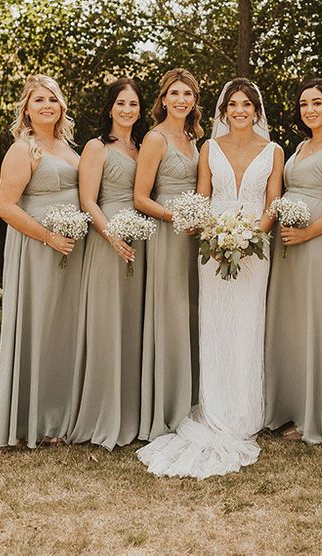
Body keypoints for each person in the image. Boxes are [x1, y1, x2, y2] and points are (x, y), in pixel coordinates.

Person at [137, 78, 284, 478]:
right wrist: (213, 233)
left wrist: (253, 234)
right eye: (233, 104)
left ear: (257, 110)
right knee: (216, 324)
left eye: (246, 104)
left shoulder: (274, 150)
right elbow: (202, 196)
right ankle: (216, 408)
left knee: (249, 322)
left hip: (255, 249)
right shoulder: (209, 148)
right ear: (223, 111)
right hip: (212, 245)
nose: (239, 110)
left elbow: (273, 202)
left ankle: (247, 411)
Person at [0, 74, 84, 449]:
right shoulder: (22, 150)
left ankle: (62, 417)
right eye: (38, 100)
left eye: (52, 99)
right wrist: (48, 236)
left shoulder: (68, 147)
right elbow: (4, 206)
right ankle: (35, 419)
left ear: (61, 105)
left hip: (71, 248)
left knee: (65, 330)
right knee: (40, 327)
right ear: (26, 109)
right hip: (37, 248)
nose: (46, 105)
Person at [264, 78, 322, 444]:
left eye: (317, 103)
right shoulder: (300, 146)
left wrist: (308, 232)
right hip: (288, 244)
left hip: (316, 243)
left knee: (314, 322)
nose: (310, 110)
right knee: (291, 324)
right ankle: (288, 407)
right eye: (304, 104)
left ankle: (314, 416)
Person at [68, 77, 149, 450]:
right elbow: (88, 200)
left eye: (133, 104)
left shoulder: (144, 146)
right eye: (121, 104)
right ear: (110, 107)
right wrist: (111, 235)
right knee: (107, 324)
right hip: (108, 241)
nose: (127, 111)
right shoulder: (97, 147)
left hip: (142, 242)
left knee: (134, 325)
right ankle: (103, 414)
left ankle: (133, 412)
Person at [134, 68, 203, 441]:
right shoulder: (155, 138)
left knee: (192, 312)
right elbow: (140, 198)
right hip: (167, 232)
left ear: (194, 100)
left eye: (188, 94)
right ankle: (167, 404)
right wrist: (176, 216)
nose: (181, 100)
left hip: (195, 236)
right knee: (171, 313)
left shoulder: (194, 138)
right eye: (174, 93)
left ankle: (192, 398)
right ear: (163, 99)